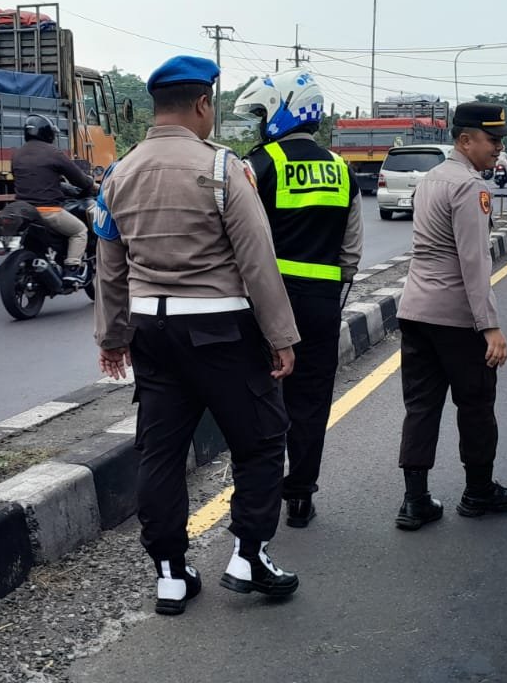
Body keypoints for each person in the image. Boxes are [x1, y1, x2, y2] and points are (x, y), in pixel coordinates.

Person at [93, 55, 302, 616]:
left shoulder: (118, 173)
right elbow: (257, 259)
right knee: (261, 440)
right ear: (203, 104)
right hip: (221, 330)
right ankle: (249, 556)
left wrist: (112, 336)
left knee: (160, 453)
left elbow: (109, 264)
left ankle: (169, 573)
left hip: (151, 332)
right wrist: (281, 335)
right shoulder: (222, 167)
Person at [234, 70, 362, 528]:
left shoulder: (258, 164)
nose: (258, 123)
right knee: (311, 401)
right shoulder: (341, 169)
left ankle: (260, 495)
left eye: (261, 113)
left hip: (264, 304)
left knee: (260, 397)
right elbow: (351, 252)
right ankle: (301, 496)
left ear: (281, 110)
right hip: (321, 304)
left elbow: (238, 237)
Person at [394, 101, 507, 531]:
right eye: (492, 140)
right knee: (476, 403)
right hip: (455, 316)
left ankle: (415, 501)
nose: (498, 148)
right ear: (465, 140)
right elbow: (474, 261)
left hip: (415, 310)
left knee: (421, 406)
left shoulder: (430, 179)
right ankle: (478, 491)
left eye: (501, 141)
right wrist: (490, 326)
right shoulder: (470, 187)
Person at [12, 113, 98, 284]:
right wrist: (92, 186)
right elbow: (79, 179)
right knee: (79, 231)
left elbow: (35, 179)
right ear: (47, 133)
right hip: (47, 211)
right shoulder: (53, 153)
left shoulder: (17, 155)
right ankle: (72, 269)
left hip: (21, 210)